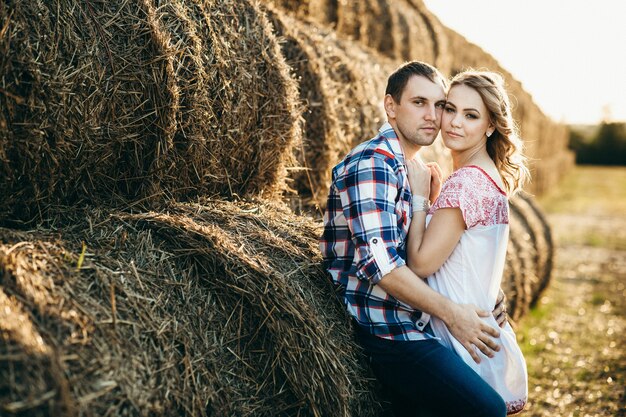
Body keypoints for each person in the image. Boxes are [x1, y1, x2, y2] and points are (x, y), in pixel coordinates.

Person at [320, 61, 508, 417]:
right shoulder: (373, 163)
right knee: (487, 410)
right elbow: (384, 269)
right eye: (419, 103)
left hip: (413, 318)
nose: (434, 117)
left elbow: (441, 251)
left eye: (440, 105)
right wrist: (454, 314)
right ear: (391, 106)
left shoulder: (410, 168)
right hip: (382, 326)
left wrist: (486, 293)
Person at [404, 70, 529, 414]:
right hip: (478, 324)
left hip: (455, 336)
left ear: (490, 126)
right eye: (449, 108)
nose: (454, 122)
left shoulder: (465, 184)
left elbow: (420, 264)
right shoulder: (490, 178)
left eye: (471, 115)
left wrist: (419, 199)